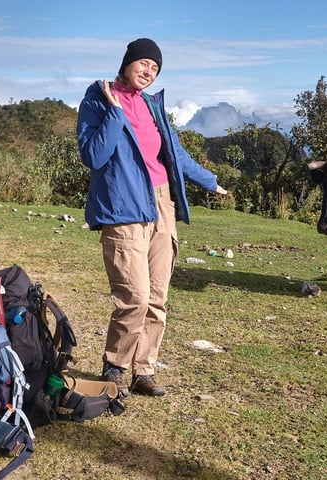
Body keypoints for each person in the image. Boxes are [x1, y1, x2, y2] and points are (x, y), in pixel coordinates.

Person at [77, 38, 227, 397]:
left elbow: (176, 154)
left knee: (157, 297)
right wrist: (115, 111)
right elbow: (94, 156)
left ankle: (143, 371)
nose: (148, 72)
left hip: (162, 206)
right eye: (143, 63)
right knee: (135, 297)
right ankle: (114, 366)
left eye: (155, 68)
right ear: (127, 62)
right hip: (123, 207)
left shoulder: (151, 105)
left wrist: (212, 182)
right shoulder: (98, 98)